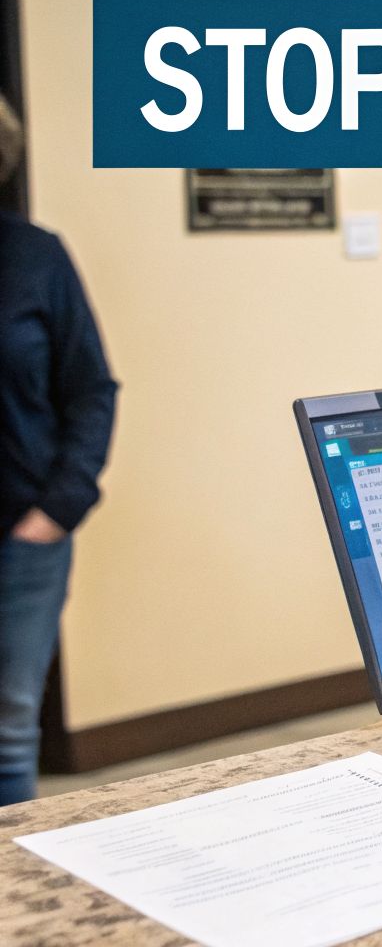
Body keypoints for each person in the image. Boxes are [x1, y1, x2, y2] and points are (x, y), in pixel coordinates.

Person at [0, 94, 118, 805]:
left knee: (11, 729)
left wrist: (57, 510)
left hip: (22, 535)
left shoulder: (35, 257)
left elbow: (92, 390)